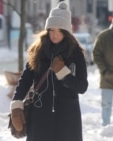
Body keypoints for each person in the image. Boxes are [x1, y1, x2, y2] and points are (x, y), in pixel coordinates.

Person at [10, 1, 88, 141]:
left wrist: (63, 73)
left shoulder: (76, 53)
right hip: (40, 114)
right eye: (52, 30)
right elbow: (25, 79)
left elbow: (82, 87)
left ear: (66, 32)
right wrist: (16, 103)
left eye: (59, 31)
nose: (55, 35)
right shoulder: (38, 51)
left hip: (67, 117)